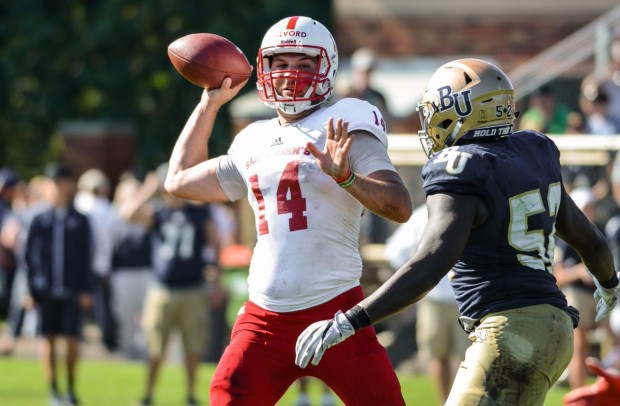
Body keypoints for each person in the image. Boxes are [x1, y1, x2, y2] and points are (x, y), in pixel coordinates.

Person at [295, 58, 620, 406]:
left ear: (464, 109)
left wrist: (351, 320)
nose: (431, 120)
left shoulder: (460, 166)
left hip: (511, 332)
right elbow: (586, 237)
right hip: (554, 324)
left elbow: (430, 263)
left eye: (435, 110)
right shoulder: (534, 151)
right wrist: (609, 284)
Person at [164, 16, 412, 406]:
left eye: (303, 63)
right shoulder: (254, 139)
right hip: (264, 320)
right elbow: (177, 180)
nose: (289, 73)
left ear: (326, 66)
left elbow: (399, 207)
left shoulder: (345, 121)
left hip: (339, 315)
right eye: (280, 62)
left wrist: (347, 177)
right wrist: (209, 103)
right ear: (264, 68)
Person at [121, 165, 221, 406]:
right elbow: (126, 213)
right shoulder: (158, 212)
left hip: (193, 288)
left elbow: (215, 244)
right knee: (155, 347)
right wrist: (148, 188)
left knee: (193, 347)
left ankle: (190, 395)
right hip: (162, 288)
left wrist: (216, 280)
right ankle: (148, 394)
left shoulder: (199, 213)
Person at [384, 204, 469, 405]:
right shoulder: (424, 215)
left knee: (467, 359)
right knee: (438, 355)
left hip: (466, 298)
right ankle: (444, 402)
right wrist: (415, 280)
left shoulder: (469, 208)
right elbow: (395, 251)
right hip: (435, 297)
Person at [25, 163, 93, 406]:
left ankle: (71, 388)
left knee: (72, 340)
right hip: (45, 290)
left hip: (72, 289)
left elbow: (87, 256)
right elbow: (30, 257)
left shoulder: (80, 220)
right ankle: (54, 388)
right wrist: (30, 289)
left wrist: (86, 289)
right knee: (48, 339)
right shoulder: (39, 220)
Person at [553, 187, 600, 389]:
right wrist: (580, 272)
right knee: (579, 348)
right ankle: (578, 394)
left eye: (591, 208)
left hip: (596, 297)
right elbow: (558, 276)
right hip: (576, 295)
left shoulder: (599, 233)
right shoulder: (566, 239)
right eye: (586, 208)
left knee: (592, 347)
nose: (589, 212)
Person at [74, 168, 118, 352]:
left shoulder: (77, 205)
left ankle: (76, 338)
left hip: (80, 266)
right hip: (100, 265)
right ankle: (108, 343)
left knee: (79, 307)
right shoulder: (105, 208)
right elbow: (111, 240)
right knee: (102, 307)